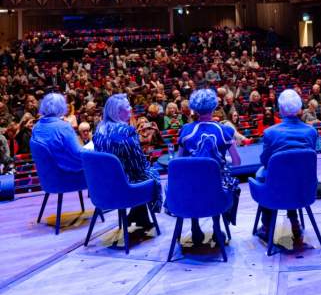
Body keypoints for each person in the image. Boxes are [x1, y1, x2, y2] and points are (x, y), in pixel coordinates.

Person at [177, 88, 241, 246]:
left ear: (195, 109)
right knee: (228, 184)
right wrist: (220, 159)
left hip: (192, 186)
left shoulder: (186, 130)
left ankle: (195, 228)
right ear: (214, 107)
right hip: (216, 187)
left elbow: (179, 161)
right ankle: (217, 228)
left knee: (193, 182)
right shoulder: (225, 131)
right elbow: (237, 161)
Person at [255, 89, 318, 243]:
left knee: (263, 176)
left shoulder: (270, 133)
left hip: (277, 189)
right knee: (292, 175)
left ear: (281, 109)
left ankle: (266, 227)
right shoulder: (311, 131)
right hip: (303, 189)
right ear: (299, 109)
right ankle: (294, 221)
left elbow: (265, 161)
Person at [93, 94, 162, 230]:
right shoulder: (127, 131)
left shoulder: (99, 130)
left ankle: (138, 215)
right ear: (118, 112)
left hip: (103, 184)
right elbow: (139, 164)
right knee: (149, 173)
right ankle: (140, 214)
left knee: (134, 173)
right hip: (124, 186)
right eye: (127, 106)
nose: (131, 108)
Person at [31, 93, 83, 174]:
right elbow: (78, 154)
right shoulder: (64, 126)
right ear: (61, 107)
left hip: (47, 178)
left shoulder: (36, 127)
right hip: (68, 177)